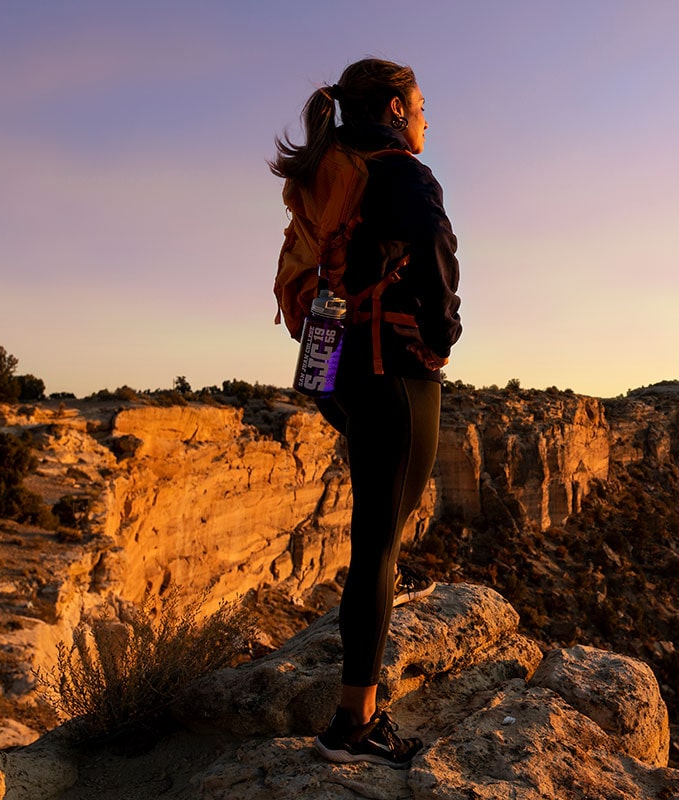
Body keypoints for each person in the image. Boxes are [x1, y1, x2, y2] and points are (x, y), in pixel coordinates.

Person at [269, 58, 462, 768]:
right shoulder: (399, 171)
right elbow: (436, 244)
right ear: (394, 108)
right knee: (378, 542)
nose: (427, 117)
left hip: (330, 363)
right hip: (393, 365)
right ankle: (353, 726)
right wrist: (442, 334)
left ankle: (359, 691)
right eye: (421, 105)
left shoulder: (329, 170)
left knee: (378, 524)